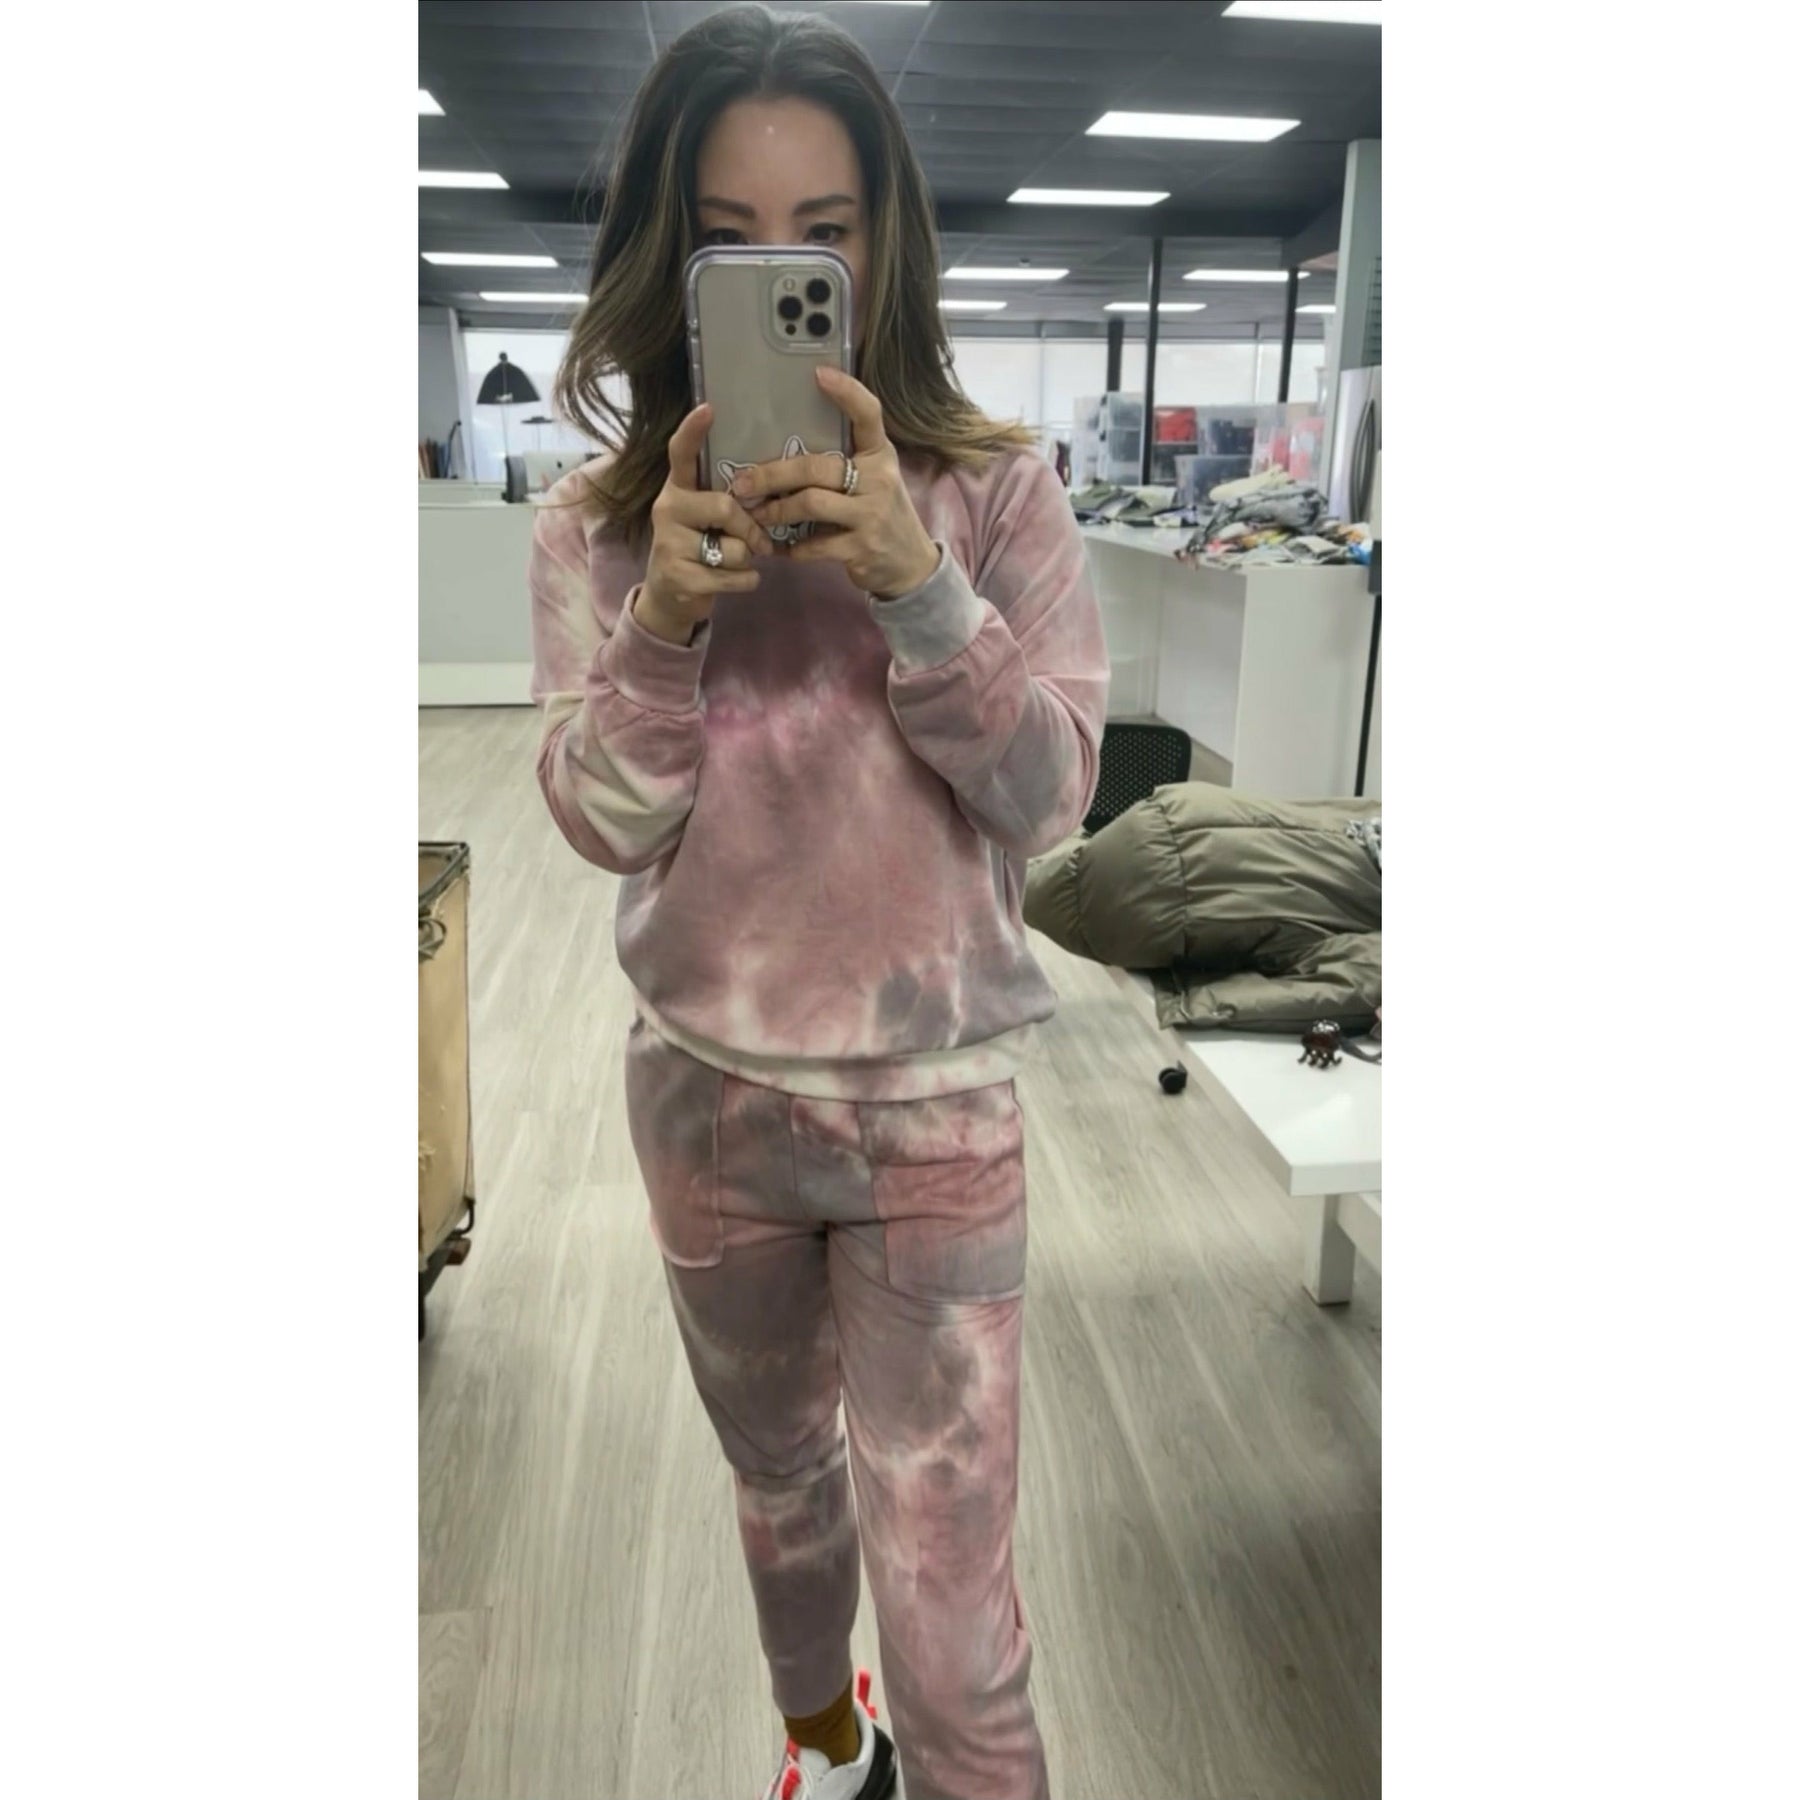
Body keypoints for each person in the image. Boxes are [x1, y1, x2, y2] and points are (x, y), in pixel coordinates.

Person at [528, 7, 1108, 1797]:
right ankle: (821, 1746)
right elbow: (603, 822)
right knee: (779, 1487)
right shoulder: (599, 529)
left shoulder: (996, 491)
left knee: (955, 1610)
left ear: (882, 247)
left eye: (824, 233)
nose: (784, 272)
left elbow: (1052, 799)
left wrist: (923, 592)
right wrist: (661, 627)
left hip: (939, 1114)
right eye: (731, 237)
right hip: (711, 1103)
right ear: (670, 260)